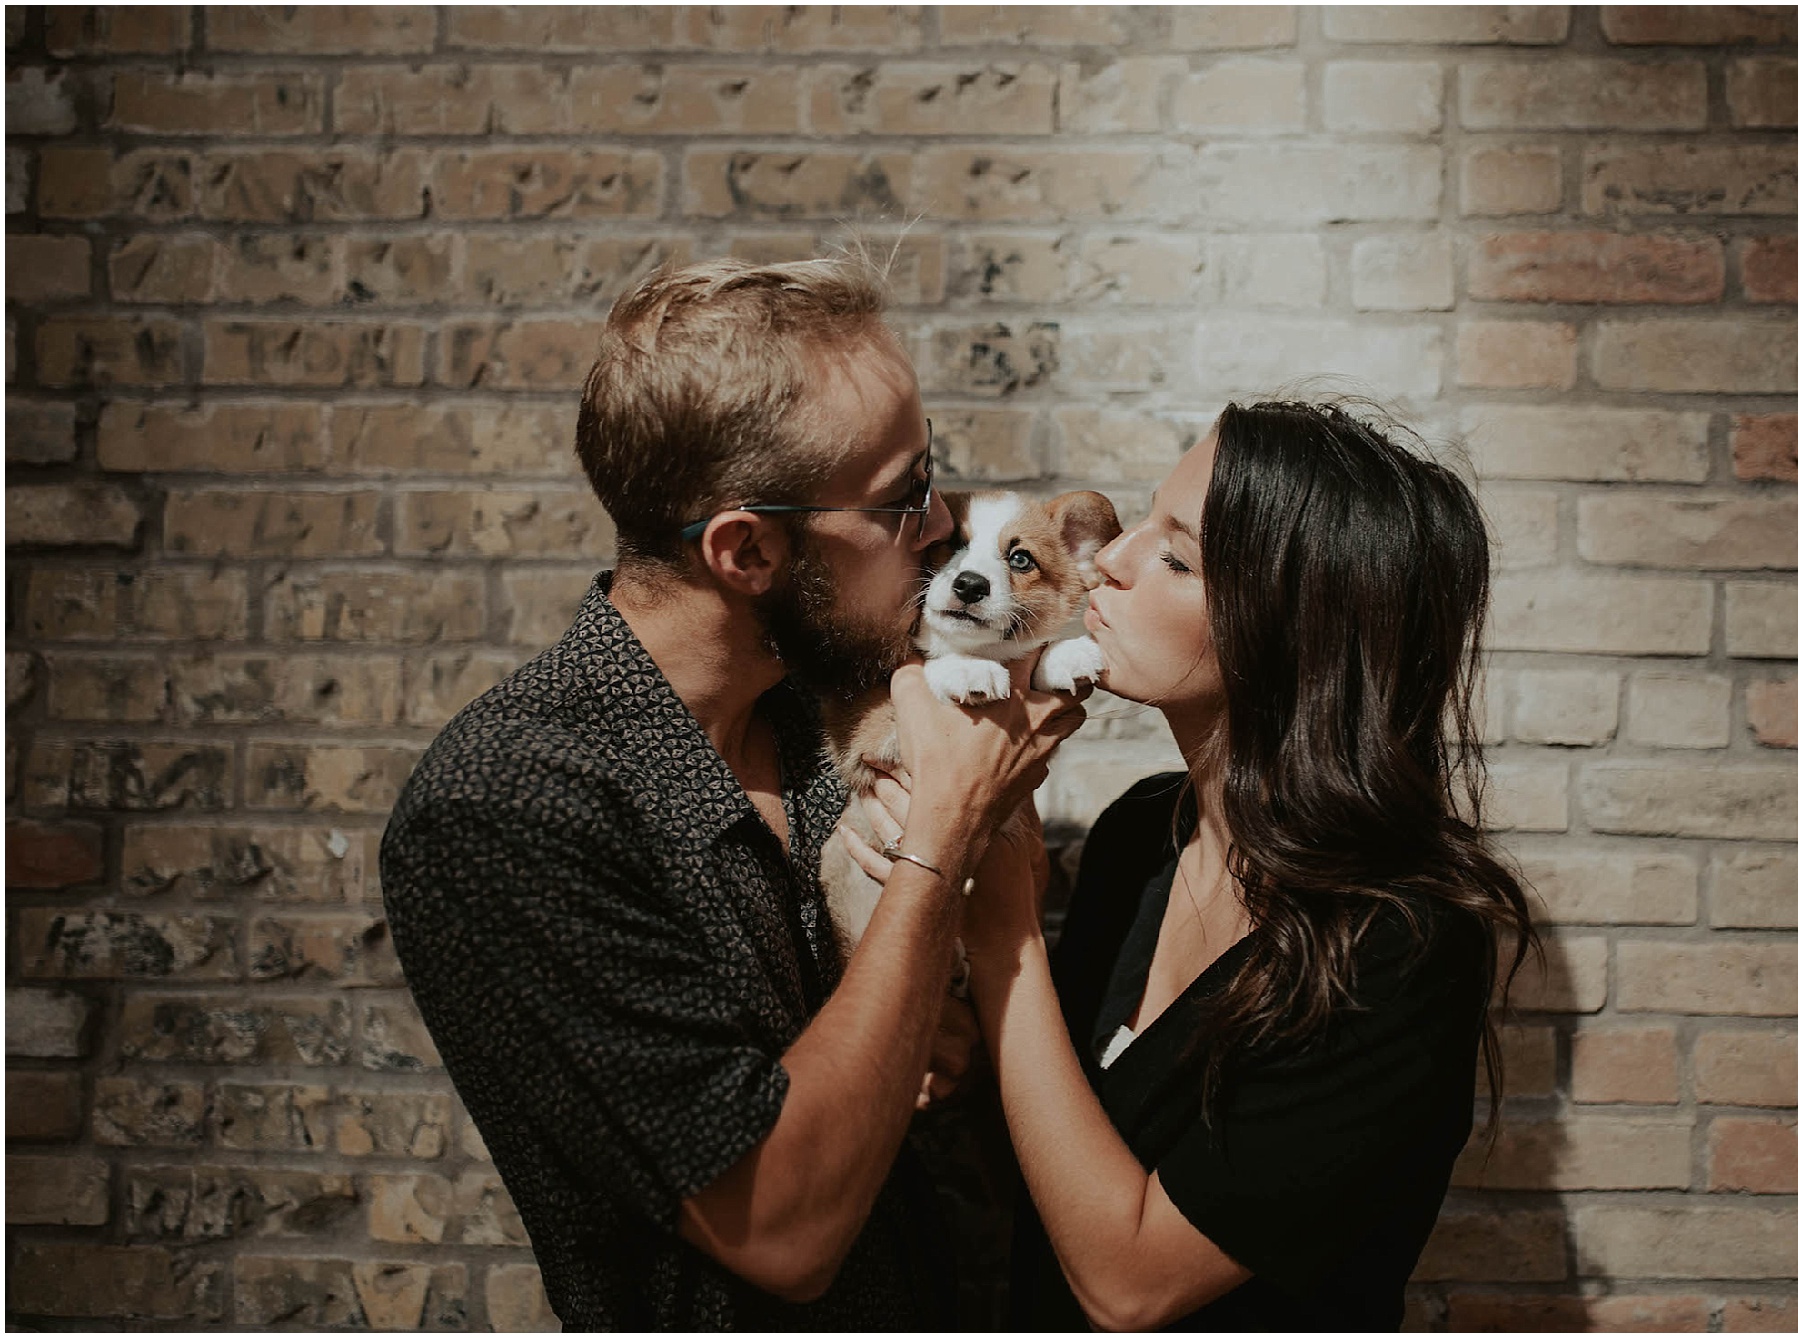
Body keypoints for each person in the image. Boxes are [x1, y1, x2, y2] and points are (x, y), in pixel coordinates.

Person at [378, 255, 1089, 1329]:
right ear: (747, 550)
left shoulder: (833, 701)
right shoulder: (506, 808)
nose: (941, 525)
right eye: (902, 498)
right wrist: (939, 844)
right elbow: (779, 1230)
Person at [842, 399, 1539, 1330]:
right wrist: (960, 1065)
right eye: (1142, 523)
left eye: (1175, 557)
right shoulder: (1142, 834)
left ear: (1288, 630)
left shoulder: (1402, 943)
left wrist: (1003, 920)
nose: (1112, 559)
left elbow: (1130, 1287)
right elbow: (1057, 1156)